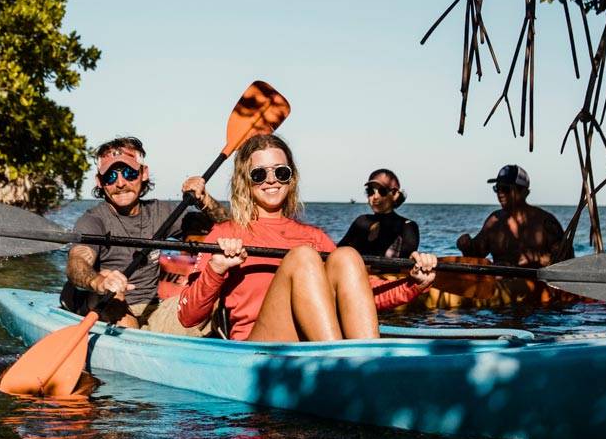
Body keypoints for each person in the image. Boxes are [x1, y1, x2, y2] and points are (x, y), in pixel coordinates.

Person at [176, 134, 437, 341]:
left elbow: (362, 295)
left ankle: (365, 367)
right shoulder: (224, 234)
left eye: (281, 172)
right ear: (245, 181)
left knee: (346, 256)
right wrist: (216, 268)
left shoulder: (314, 237)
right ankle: (343, 369)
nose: (271, 181)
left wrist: (413, 284)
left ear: (291, 177)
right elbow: (188, 317)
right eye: (259, 174)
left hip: (313, 348)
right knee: (302, 257)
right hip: (259, 352)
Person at [60, 136, 227, 328]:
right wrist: (98, 282)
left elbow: (226, 224)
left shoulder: (162, 212)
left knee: (213, 304)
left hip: (154, 308)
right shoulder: (93, 220)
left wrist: (204, 200)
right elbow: (77, 262)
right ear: (100, 182)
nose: (120, 183)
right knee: (121, 310)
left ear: (143, 173)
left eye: (129, 173)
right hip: (107, 303)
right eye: (110, 176)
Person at [456, 164, 572, 267]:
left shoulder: (545, 222)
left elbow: (567, 262)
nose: (500, 193)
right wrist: (466, 246)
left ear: (524, 192)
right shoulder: (494, 220)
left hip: (533, 287)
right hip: (498, 286)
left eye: (505, 189)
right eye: (497, 188)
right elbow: (476, 255)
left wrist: (538, 259)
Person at [338, 169, 419, 258]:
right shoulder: (361, 221)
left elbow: (407, 261)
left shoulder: (407, 226)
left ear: (395, 194)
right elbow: (339, 251)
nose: (375, 197)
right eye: (370, 192)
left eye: (382, 191)